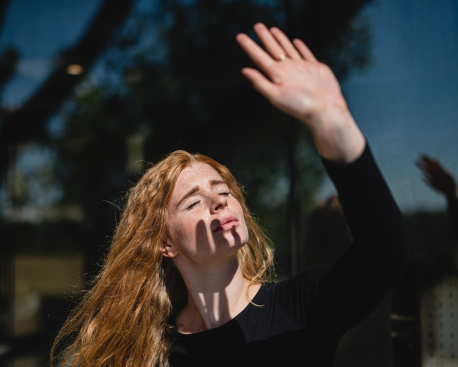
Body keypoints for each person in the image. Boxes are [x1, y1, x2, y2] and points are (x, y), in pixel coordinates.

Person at [51, 24, 410, 367]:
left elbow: (385, 251)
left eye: (222, 191)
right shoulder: (150, 352)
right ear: (165, 243)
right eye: (193, 202)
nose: (218, 201)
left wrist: (333, 122)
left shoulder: (300, 306)